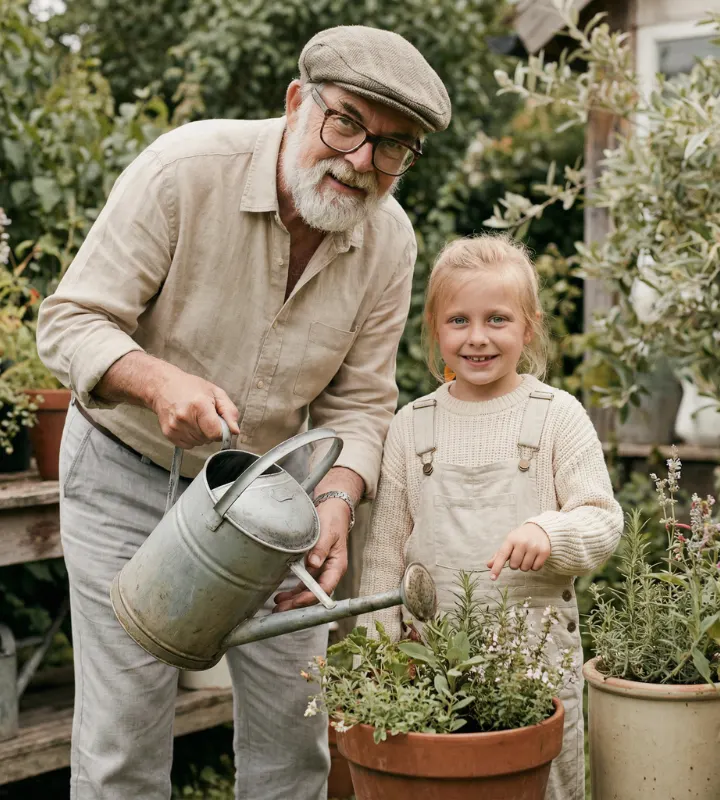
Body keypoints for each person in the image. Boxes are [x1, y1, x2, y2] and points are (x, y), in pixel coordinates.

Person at [36, 25, 451, 800]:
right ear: (299, 103)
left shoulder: (391, 242)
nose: (361, 161)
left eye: (393, 146)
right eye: (348, 123)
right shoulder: (184, 169)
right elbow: (68, 324)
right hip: (128, 478)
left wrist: (337, 497)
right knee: (123, 746)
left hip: (270, 496)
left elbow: (361, 401)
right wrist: (158, 382)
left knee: (296, 745)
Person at [357, 233, 623, 800]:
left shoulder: (557, 416)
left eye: (497, 319)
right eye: (458, 321)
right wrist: (377, 654)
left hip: (536, 666)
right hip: (430, 659)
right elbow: (384, 555)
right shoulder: (412, 425)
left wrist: (548, 530)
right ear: (434, 329)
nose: (477, 338)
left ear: (528, 327)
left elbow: (602, 520)